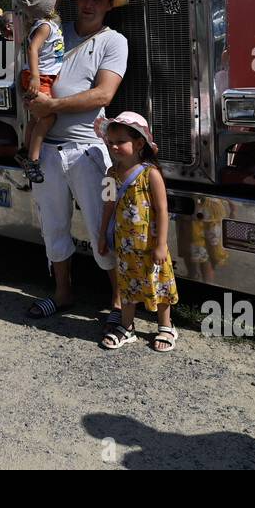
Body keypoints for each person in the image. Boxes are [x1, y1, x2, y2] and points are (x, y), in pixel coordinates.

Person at [25, 0, 129, 326]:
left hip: (88, 152)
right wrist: (31, 94)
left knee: (104, 225)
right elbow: (32, 67)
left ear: (108, 5)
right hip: (49, 150)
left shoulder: (113, 41)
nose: (89, 4)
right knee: (52, 226)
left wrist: (51, 105)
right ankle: (63, 293)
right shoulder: (55, 31)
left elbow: (103, 93)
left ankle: (118, 303)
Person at [95, 113, 178, 352]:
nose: (113, 147)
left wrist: (161, 244)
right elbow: (108, 205)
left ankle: (166, 326)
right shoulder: (111, 174)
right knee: (128, 286)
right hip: (126, 245)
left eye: (120, 141)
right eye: (110, 142)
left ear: (139, 143)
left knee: (159, 285)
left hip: (151, 246)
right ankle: (126, 326)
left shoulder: (150, 174)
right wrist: (102, 235)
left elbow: (163, 210)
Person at [15, 0, 78, 183]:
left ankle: (25, 148)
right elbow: (32, 50)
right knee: (48, 117)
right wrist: (34, 77)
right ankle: (32, 160)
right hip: (38, 77)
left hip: (42, 76)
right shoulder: (44, 26)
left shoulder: (49, 18)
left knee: (36, 117)